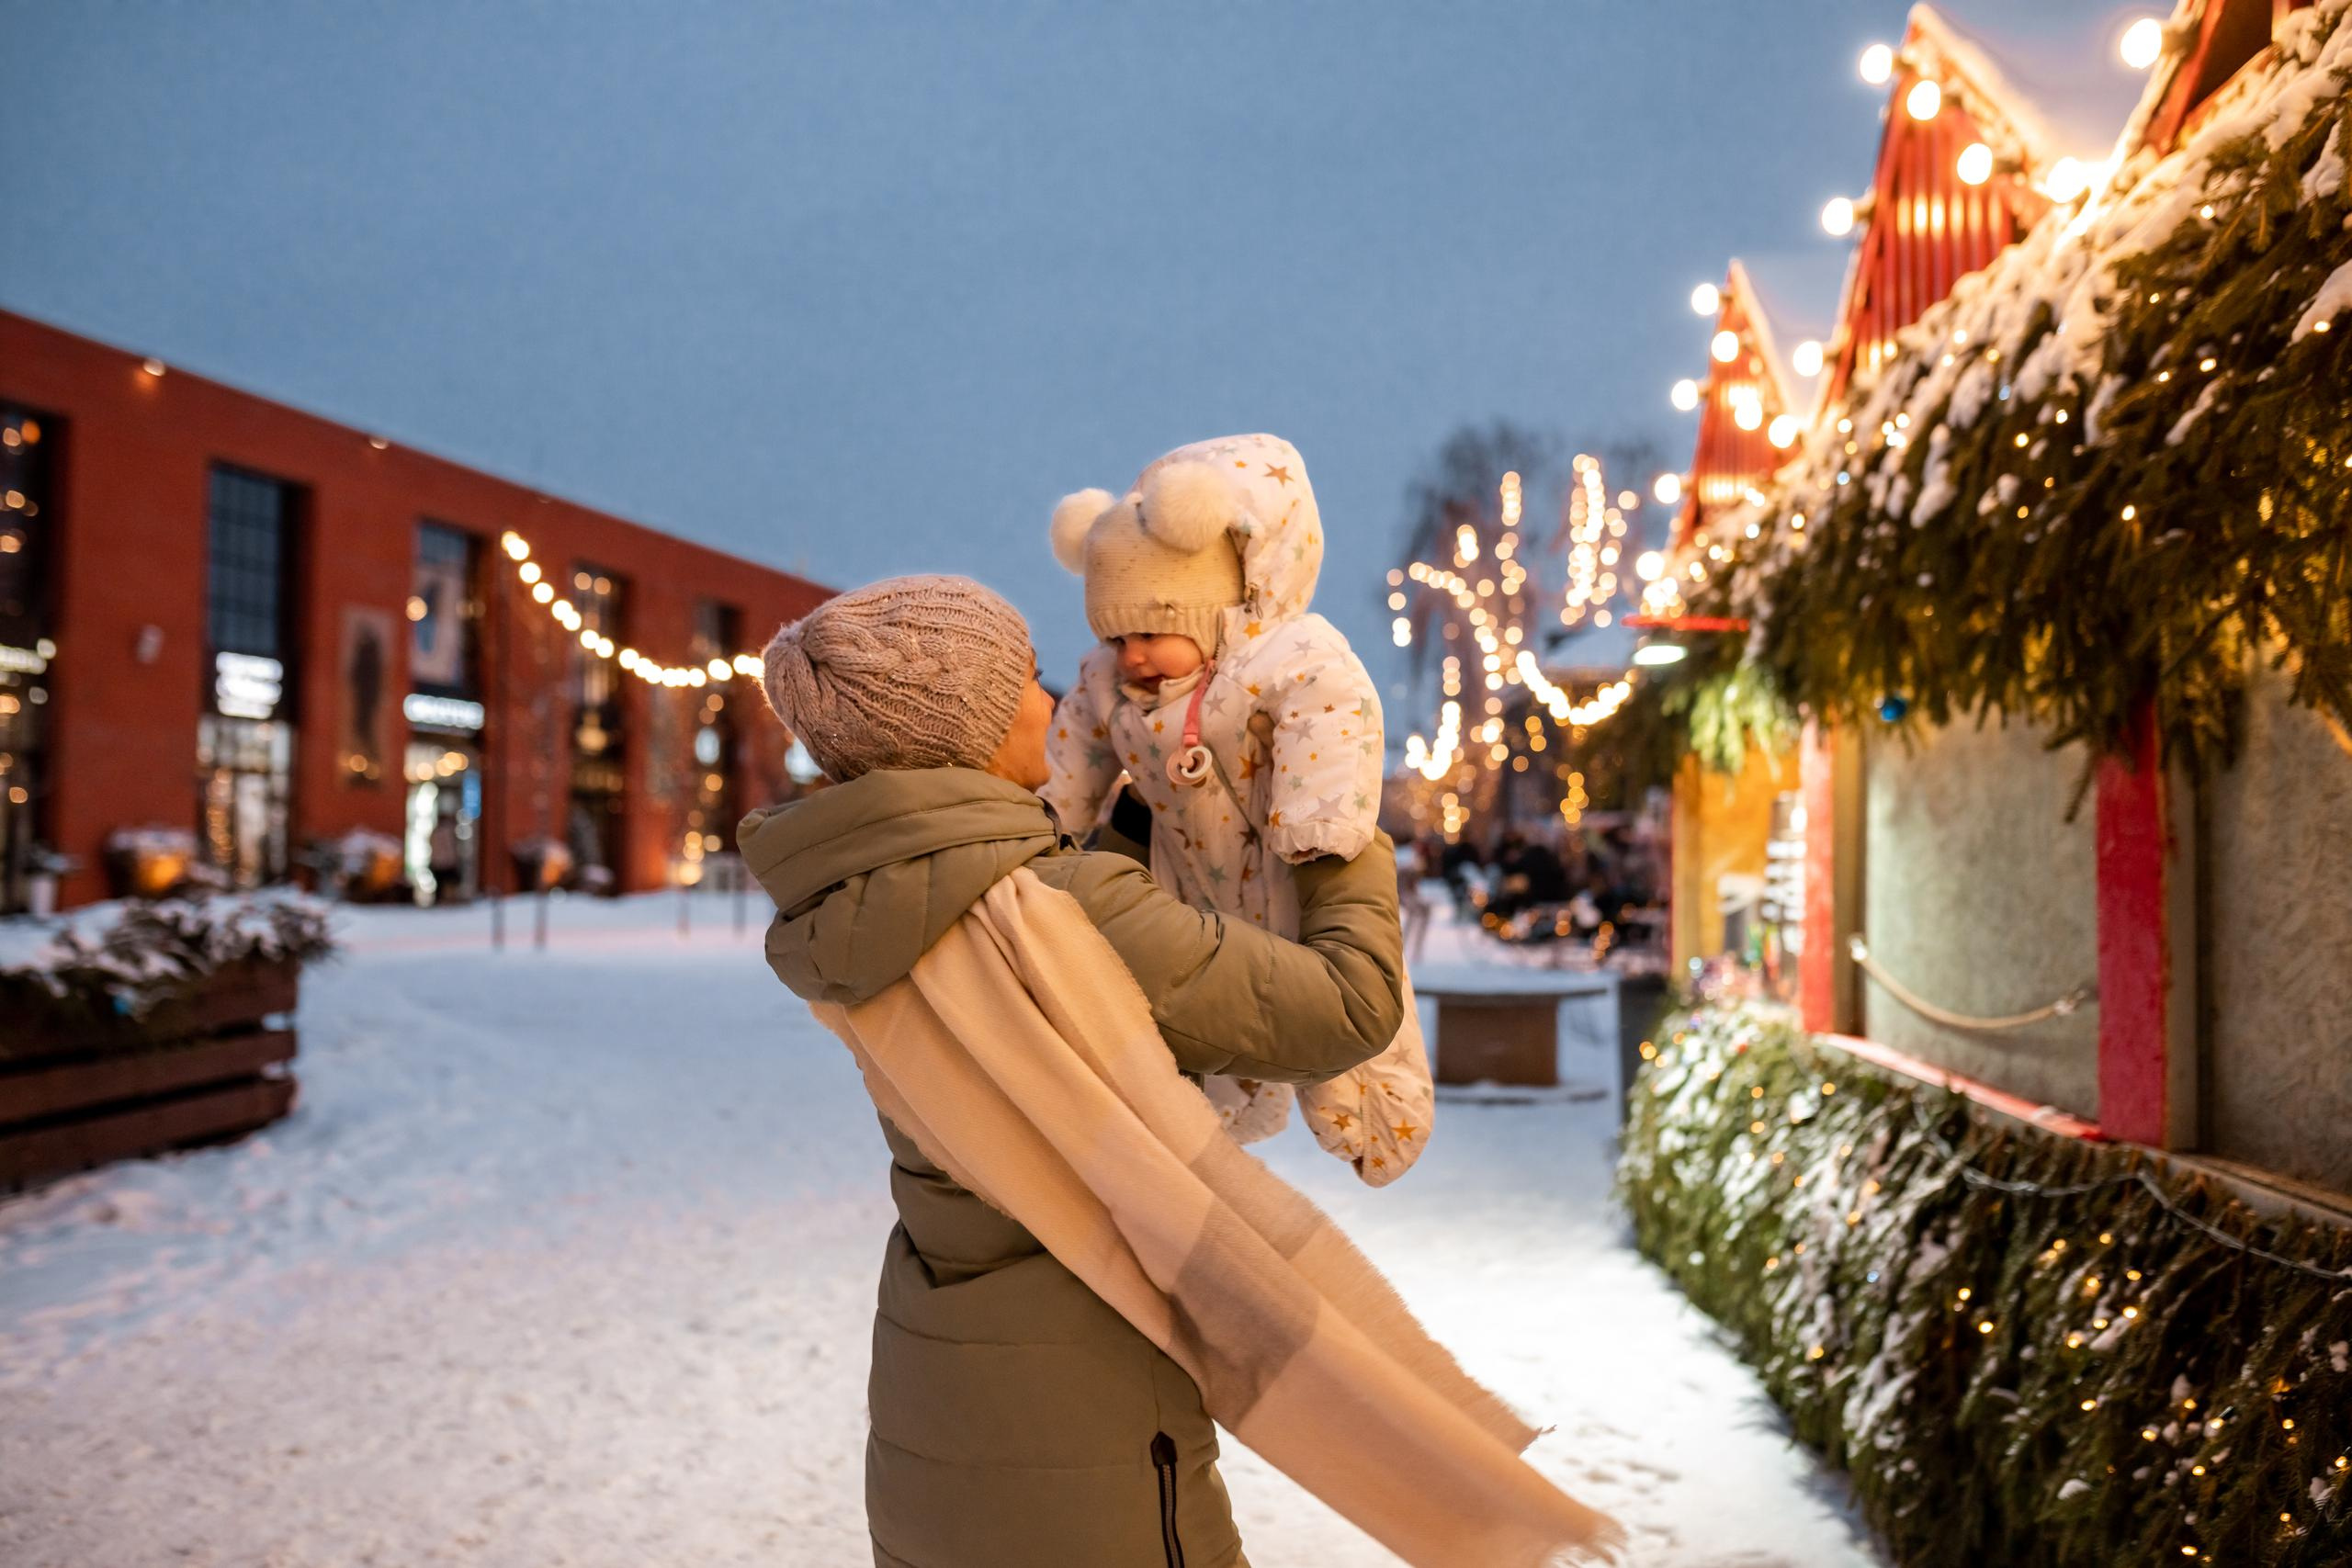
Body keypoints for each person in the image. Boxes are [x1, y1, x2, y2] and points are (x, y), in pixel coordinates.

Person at [741, 575, 1406, 1568]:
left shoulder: (852, 909)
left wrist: (1131, 832)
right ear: (963, 724)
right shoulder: (1064, 909)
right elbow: (1349, 1009)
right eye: (1027, 680)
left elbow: (1021, 944)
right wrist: (1331, 825)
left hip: (938, 1400)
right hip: (1088, 1418)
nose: (1054, 703)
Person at [1040, 434, 1433, 1186]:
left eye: (1152, 631)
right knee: (1208, 1018)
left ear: (1213, 607)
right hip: (1184, 880)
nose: (1132, 656)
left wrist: (1317, 817)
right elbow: (1071, 758)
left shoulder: (1276, 656)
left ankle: (1379, 1118)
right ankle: (1215, 1117)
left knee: (1330, 1011)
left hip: (1287, 863)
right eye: (1115, 635)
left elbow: (1332, 701)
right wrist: (1052, 822)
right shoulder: (1106, 684)